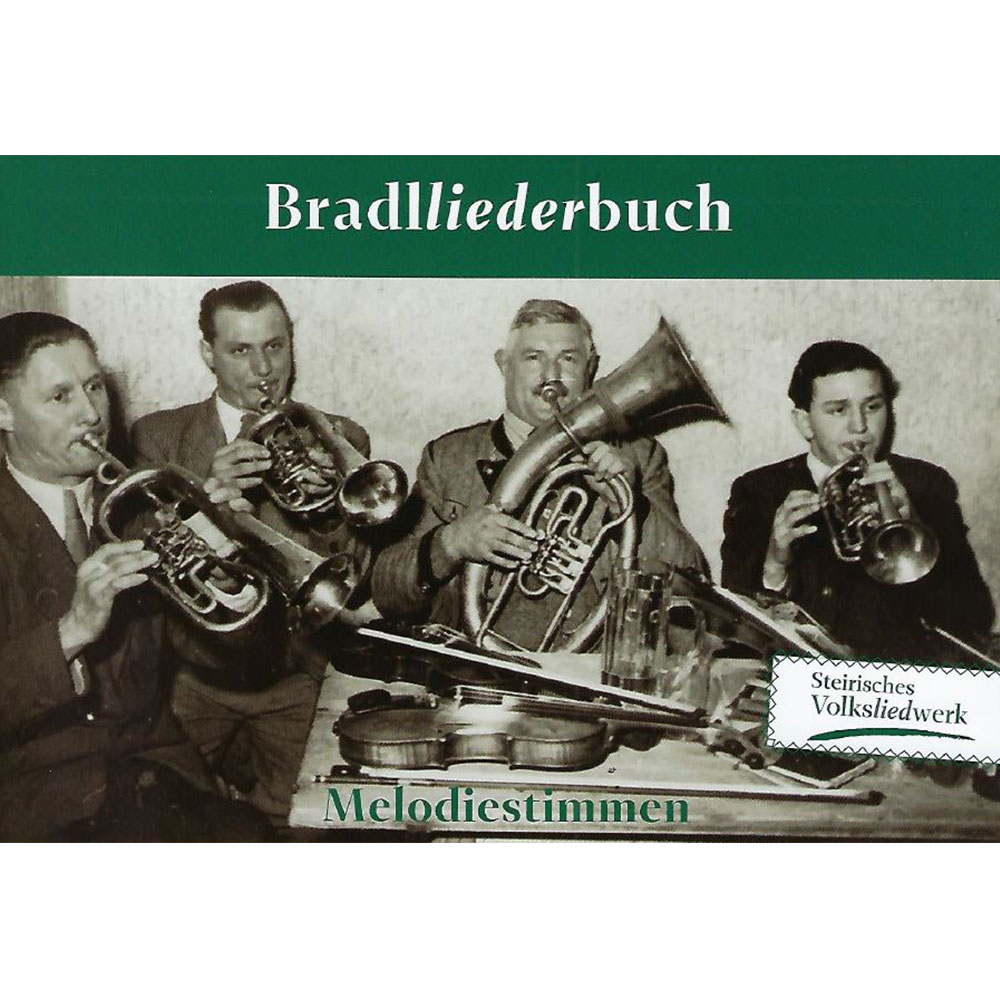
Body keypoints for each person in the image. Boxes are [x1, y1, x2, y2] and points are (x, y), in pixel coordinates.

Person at [0, 311, 269, 841]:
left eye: (94, 387)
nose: (91, 414)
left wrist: (224, 576)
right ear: (3, 412)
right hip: (34, 799)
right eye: (60, 397)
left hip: (154, 771)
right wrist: (70, 632)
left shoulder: (141, 502)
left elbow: (219, 658)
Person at [130, 281, 371, 817]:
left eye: (275, 346)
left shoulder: (338, 435)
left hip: (295, 671)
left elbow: (350, 570)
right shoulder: (157, 437)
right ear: (208, 353)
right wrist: (203, 492)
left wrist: (329, 508)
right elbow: (150, 561)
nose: (264, 369)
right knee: (163, 814)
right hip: (195, 674)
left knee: (310, 819)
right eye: (240, 350)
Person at [371, 298, 707, 649]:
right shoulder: (448, 457)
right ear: (504, 364)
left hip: (591, 671)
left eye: (568, 359)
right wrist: (450, 543)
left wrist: (631, 505)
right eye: (533, 357)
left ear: (591, 367)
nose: (551, 375)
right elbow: (387, 592)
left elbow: (689, 591)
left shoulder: (638, 456)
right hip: (472, 670)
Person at [721, 339, 994, 660]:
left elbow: (975, 615)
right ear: (805, 422)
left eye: (873, 406)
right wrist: (775, 566)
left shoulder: (926, 484)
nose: (860, 426)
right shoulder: (758, 491)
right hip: (807, 677)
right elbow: (731, 627)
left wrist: (915, 526)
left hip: (897, 677)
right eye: (839, 410)